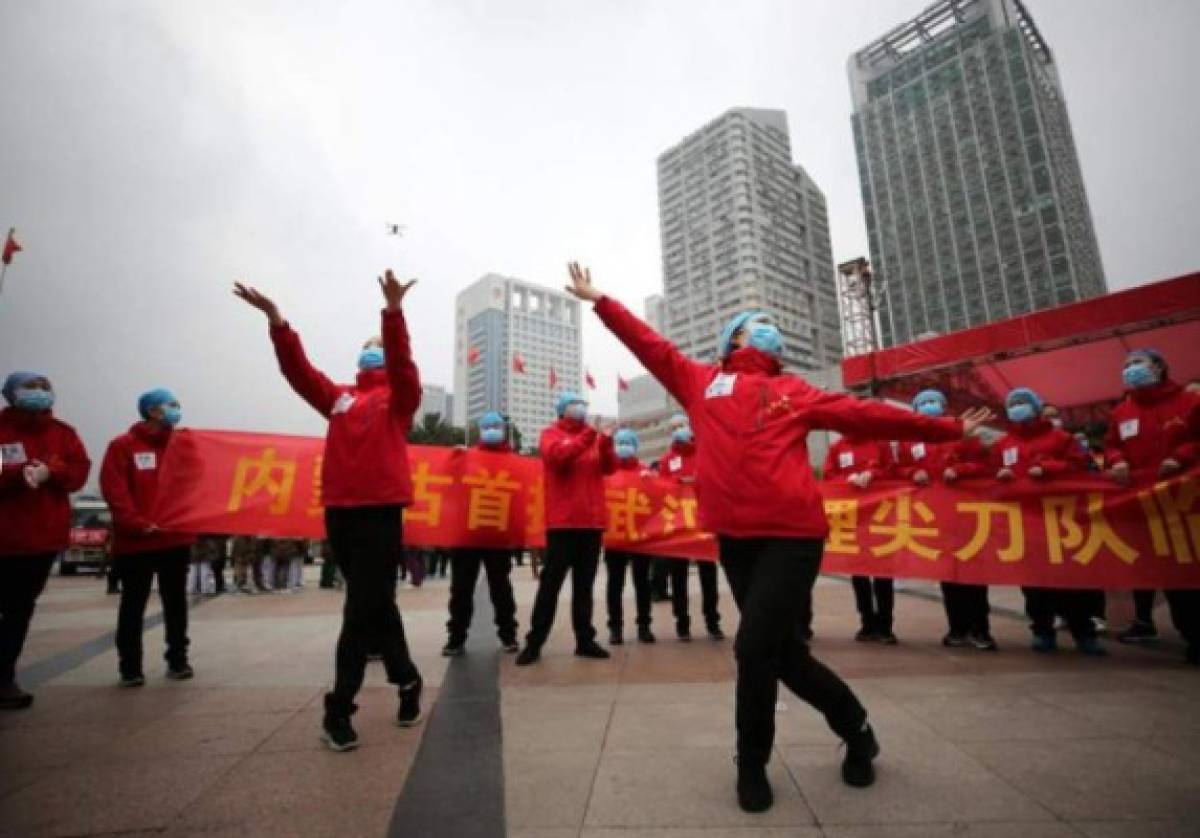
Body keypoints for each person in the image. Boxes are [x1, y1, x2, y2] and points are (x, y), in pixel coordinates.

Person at [565, 262, 993, 812]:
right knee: (782, 655)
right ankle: (857, 729)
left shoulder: (795, 391)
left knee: (752, 649)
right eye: (755, 322)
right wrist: (600, 299)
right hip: (736, 540)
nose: (768, 327)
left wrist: (949, 428)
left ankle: (751, 765)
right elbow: (647, 343)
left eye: (770, 323)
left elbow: (867, 415)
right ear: (733, 339)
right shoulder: (700, 382)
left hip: (792, 538)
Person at [235, 270, 424, 751]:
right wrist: (277, 322)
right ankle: (406, 679)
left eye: (377, 345)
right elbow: (298, 372)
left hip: (381, 510)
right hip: (340, 510)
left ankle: (339, 707)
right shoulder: (338, 397)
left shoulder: (398, 401)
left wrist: (393, 315)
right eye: (368, 345)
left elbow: (403, 366)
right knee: (375, 600)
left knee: (359, 608)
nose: (372, 350)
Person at [0, 372, 91, 710]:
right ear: (10, 393)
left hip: (40, 538)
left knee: (18, 610)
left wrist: (53, 473)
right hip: (4, 534)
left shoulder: (62, 434)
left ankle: (5, 678)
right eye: (30, 387)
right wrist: (17, 473)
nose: (39, 393)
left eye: (44, 387)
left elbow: (79, 473)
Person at [993, 387, 1105, 656]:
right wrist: (1002, 474)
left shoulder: (1061, 438)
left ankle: (1083, 632)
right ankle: (1042, 629)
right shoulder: (1005, 443)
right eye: (1012, 403)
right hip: (1026, 521)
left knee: (1071, 578)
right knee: (1034, 582)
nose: (1017, 407)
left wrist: (1047, 469)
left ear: (1035, 407)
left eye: (1022, 402)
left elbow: (1081, 466)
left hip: (1062, 520)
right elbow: (991, 474)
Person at [1105, 349, 1199, 664]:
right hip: (1145, 507)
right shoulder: (1121, 412)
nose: (1131, 370)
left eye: (1138, 364)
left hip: (1187, 504)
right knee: (1166, 572)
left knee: (1188, 570)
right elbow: (1112, 447)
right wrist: (1117, 462)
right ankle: (1189, 634)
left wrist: (1180, 457)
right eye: (1127, 366)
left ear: (1158, 366)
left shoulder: (1189, 402)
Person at [101, 388, 198, 686]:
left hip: (173, 539)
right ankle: (130, 666)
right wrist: (137, 523)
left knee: (176, 603)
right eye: (171, 404)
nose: (176, 409)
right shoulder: (123, 446)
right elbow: (115, 491)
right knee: (133, 604)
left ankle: (178, 659)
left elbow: (197, 485)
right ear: (152, 410)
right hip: (136, 541)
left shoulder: (185, 445)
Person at [515, 391, 616, 665]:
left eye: (582, 404)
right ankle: (535, 641)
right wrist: (589, 436)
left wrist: (606, 441)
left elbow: (608, 468)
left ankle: (585, 640)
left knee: (584, 587)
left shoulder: (593, 437)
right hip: (562, 524)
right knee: (551, 586)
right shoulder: (551, 434)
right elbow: (558, 458)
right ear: (562, 410)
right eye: (574, 404)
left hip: (591, 524)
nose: (580, 408)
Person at [896, 389, 996, 650]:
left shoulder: (962, 432)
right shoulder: (909, 439)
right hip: (935, 517)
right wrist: (913, 471)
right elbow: (899, 469)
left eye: (934, 403)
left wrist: (959, 470)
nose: (929, 407)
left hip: (967, 515)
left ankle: (981, 630)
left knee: (973, 574)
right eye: (923, 404)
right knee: (948, 576)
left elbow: (985, 465)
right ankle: (957, 629)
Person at [442, 411, 520, 656]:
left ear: (504, 430)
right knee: (461, 588)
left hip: (498, 532)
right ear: (480, 430)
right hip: (467, 532)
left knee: (501, 587)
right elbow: (448, 484)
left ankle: (508, 634)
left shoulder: (514, 461)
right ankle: (456, 637)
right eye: (488, 426)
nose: (492, 430)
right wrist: (453, 460)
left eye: (497, 426)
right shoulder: (468, 457)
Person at [822, 432, 897, 644]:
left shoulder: (880, 443)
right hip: (854, 519)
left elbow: (892, 470)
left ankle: (885, 626)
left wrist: (873, 474)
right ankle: (867, 623)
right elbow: (829, 475)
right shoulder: (838, 447)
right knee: (859, 575)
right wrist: (847, 479)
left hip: (880, 517)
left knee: (883, 572)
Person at [655, 415, 722, 641]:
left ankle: (713, 621)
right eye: (673, 428)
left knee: (708, 575)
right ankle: (682, 623)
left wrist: (696, 481)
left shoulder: (704, 453)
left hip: (703, 525)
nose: (678, 431)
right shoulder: (667, 459)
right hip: (679, 527)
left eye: (681, 426)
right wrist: (677, 484)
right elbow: (661, 489)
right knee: (679, 576)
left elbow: (715, 480)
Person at [604, 428, 657, 645]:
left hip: (640, 537)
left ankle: (644, 625)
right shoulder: (606, 472)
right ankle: (615, 628)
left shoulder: (645, 472)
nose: (623, 446)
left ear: (635, 446)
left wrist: (652, 482)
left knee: (642, 583)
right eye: (619, 442)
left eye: (627, 442)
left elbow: (657, 502)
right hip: (614, 537)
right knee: (615, 584)